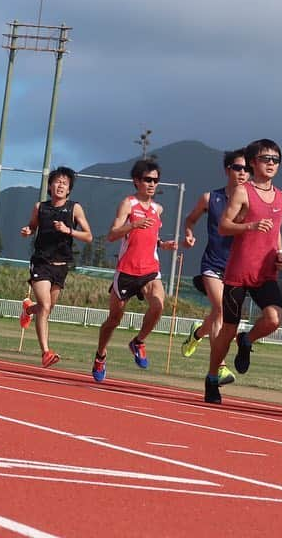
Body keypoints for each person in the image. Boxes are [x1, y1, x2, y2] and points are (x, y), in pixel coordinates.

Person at [203, 139, 282, 404]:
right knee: (227, 330)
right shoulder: (242, 192)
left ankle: (247, 339)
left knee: (274, 319)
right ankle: (212, 378)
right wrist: (249, 227)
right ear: (253, 162)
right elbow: (224, 226)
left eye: (276, 159)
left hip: (265, 272)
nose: (272, 164)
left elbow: (276, 232)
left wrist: (280, 254)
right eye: (266, 159)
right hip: (239, 271)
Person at [91, 158, 178, 382]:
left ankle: (138, 341)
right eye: (147, 180)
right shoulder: (128, 204)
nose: (152, 184)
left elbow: (149, 237)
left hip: (150, 269)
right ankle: (100, 355)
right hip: (127, 270)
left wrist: (162, 244)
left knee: (159, 305)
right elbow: (112, 234)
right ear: (137, 181)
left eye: (156, 180)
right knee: (114, 319)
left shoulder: (158, 209)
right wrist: (133, 224)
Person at [181, 149, 251, 386]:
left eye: (247, 169)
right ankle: (219, 367)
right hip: (212, 264)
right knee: (221, 310)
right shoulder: (210, 198)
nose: (242, 173)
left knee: (219, 313)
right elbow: (190, 219)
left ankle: (198, 333)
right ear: (227, 170)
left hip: (237, 268)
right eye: (237, 168)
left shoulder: (252, 201)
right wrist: (189, 234)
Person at [19, 166, 93, 368]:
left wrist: (68, 230)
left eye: (65, 183)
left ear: (69, 189)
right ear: (50, 186)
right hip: (41, 263)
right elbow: (32, 226)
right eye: (57, 181)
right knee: (45, 306)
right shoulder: (40, 207)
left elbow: (88, 236)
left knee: (48, 307)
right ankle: (45, 352)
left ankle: (28, 310)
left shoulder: (74, 208)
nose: (60, 185)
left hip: (61, 266)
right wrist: (28, 230)